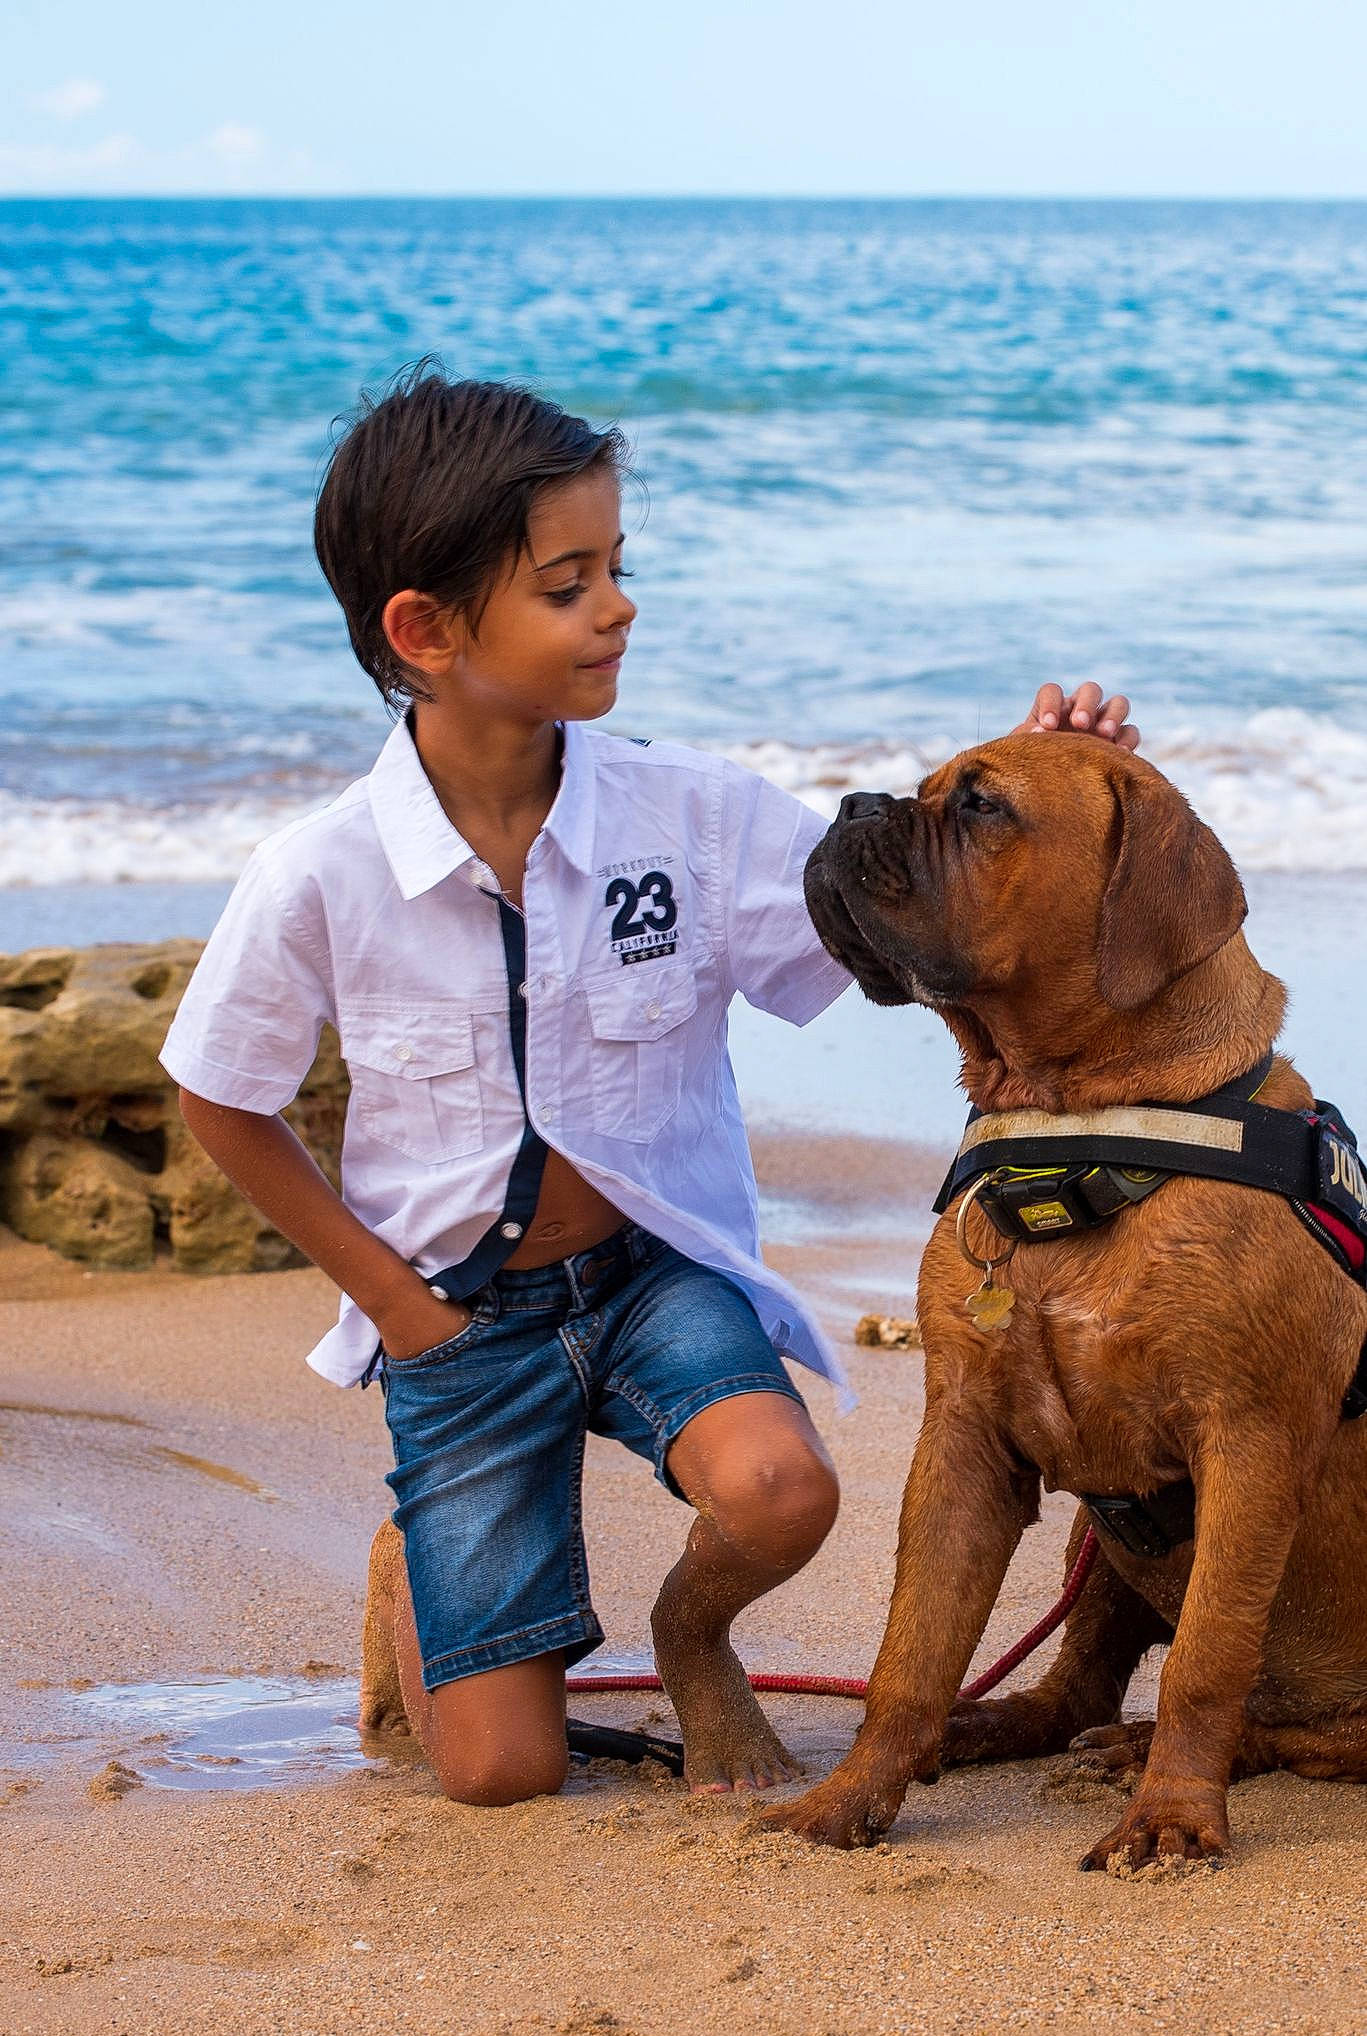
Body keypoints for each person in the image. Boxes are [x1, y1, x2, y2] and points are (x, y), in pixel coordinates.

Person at [161, 364, 1137, 1808]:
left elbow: (885, 920)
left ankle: (691, 1638)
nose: (616, 605)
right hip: (457, 1325)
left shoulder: (693, 814)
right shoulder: (317, 872)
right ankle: (418, 1586)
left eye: (618, 568)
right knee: (498, 1778)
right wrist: (395, 1310)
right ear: (425, 631)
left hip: (650, 1277)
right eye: (567, 584)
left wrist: (1039, 795)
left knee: (783, 1492)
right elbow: (220, 1098)